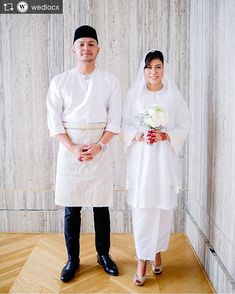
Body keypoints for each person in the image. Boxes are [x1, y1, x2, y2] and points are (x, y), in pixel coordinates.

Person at [46, 25, 121, 282]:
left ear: (98, 48)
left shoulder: (110, 81)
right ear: (74, 49)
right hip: (71, 148)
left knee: (101, 206)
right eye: (81, 44)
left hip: (101, 147)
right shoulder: (60, 81)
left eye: (91, 44)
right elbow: (53, 121)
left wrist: (100, 145)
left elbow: (115, 120)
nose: (86, 48)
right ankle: (72, 259)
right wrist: (72, 147)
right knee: (72, 207)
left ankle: (103, 255)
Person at [122, 49, 190, 286]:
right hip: (142, 161)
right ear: (143, 70)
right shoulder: (135, 95)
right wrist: (139, 136)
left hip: (163, 159)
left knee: (162, 207)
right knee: (142, 207)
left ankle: (157, 251)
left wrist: (167, 136)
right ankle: (142, 259)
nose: (154, 72)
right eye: (149, 67)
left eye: (158, 66)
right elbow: (125, 123)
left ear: (164, 69)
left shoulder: (172, 96)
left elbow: (184, 123)